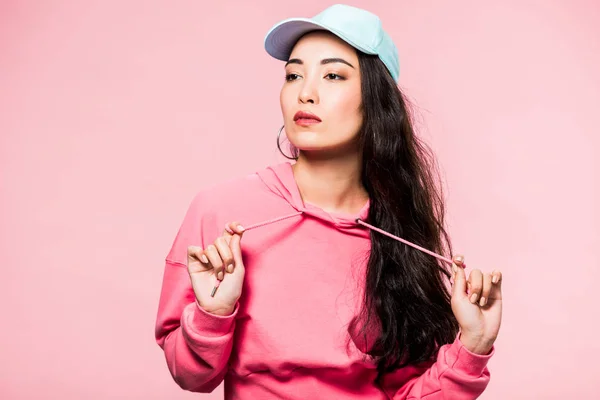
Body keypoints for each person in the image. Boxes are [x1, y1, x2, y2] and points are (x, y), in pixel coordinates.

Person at [155, 4, 503, 399]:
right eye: (293, 75)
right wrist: (213, 313)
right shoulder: (222, 210)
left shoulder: (397, 235)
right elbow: (191, 377)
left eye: (333, 75)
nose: (305, 92)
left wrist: (472, 347)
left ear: (375, 100)